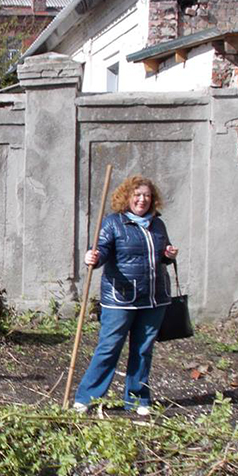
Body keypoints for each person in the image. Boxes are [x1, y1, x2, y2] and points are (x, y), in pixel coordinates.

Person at [73, 175, 179, 416]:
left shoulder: (157, 224)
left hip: (154, 298)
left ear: (152, 200)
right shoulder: (113, 223)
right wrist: (93, 257)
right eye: (137, 195)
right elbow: (102, 251)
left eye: (147, 196)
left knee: (143, 350)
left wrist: (169, 254)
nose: (142, 200)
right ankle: (85, 397)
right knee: (109, 348)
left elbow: (161, 255)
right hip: (120, 299)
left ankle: (138, 399)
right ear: (127, 197)